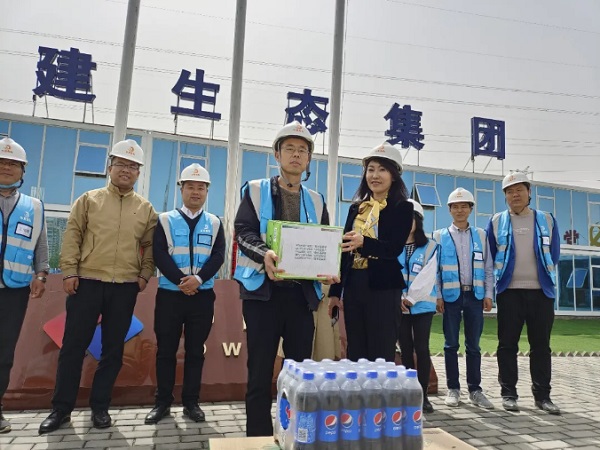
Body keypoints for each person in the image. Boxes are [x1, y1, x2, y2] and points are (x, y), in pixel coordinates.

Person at [39, 139, 158, 434]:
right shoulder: (89, 200)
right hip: (87, 283)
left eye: (133, 166)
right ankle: (61, 409)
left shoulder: (145, 208)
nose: (126, 170)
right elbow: (72, 236)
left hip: (124, 287)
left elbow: (150, 245)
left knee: (113, 351)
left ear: (139, 172)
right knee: (73, 347)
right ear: (110, 167)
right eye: (121, 164)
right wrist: (69, 271)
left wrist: (144, 274)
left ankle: (100, 407)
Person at [233, 121, 338, 437]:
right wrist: (264, 253)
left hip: (300, 298)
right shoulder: (255, 190)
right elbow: (243, 231)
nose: (296, 154)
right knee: (259, 372)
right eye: (289, 148)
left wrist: (329, 267)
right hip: (262, 293)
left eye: (302, 150)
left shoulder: (317, 200)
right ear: (277, 154)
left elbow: (324, 242)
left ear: (309, 159)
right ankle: (259, 437)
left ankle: (293, 435)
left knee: (298, 373)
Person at [144, 163, 225, 425]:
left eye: (201, 187)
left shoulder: (215, 223)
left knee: (195, 351)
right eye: (190, 186)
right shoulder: (165, 220)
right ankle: (162, 403)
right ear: (181, 189)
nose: (196, 192)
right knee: (165, 351)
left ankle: (191, 402)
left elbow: (218, 256)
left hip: (202, 296)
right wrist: (182, 281)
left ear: (207, 191)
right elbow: (159, 254)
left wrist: (198, 280)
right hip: (170, 295)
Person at [329, 143, 413, 362]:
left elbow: (393, 248)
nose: (375, 175)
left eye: (382, 170)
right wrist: (335, 293)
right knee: (356, 349)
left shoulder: (403, 208)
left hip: (384, 288)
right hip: (354, 285)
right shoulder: (356, 208)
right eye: (371, 169)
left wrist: (363, 243)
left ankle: (380, 385)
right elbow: (344, 250)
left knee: (381, 350)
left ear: (394, 176)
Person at [487, 172, 560, 415]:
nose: (515, 194)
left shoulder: (546, 219)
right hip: (509, 293)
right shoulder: (496, 221)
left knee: (541, 346)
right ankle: (508, 394)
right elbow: (491, 256)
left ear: (529, 192)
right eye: (509, 191)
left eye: (519, 189)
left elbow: (554, 253)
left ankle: (543, 396)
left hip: (541, 293)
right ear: (505, 196)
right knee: (507, 345)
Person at [0, 138, 49, 434]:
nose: (6, 168)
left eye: (13, 164)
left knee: (4, 352)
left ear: (23, 170)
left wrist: (41, 274)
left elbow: (40, 245)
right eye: (2, 162)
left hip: (14, 290)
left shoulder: (34, 207)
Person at [433, 188, 494, 410]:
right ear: (449, 210)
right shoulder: (438, 236)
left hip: (475, 296)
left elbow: (488, 267)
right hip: (450, 297)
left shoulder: (481, 235)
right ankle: (453, 389)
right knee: (450, 344)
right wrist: (438, 295)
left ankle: (475, 390)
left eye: (464, 206)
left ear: (470, 209)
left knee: (474, 345)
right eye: (455, 206)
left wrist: (488, 294)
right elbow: (435, 270)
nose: (460, 210)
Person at [397, 199, 438, 414]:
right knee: (405, 350)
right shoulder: (392, 246)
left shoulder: (431, 246)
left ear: (418, 221)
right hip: (399, 307)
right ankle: (408, 393)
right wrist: (399, 298)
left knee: (421, 349)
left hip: (422, 306)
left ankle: (423, 396)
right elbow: (390, 274)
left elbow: (428, 276)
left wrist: (411, 298)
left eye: (410, 218)